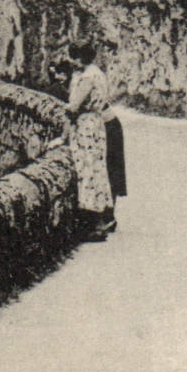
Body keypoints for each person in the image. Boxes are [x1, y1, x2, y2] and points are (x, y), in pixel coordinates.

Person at [65, 41, 117, 239]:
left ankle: (92, 225)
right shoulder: (98, 73)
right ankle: (103, 218)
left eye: (73, 57)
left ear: (80, 57)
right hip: (96, 124)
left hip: (85, 125)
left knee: (86, 170)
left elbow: (74, 105)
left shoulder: (87, 77)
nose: (71, 61)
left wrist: (64, 133)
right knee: (97, 168)